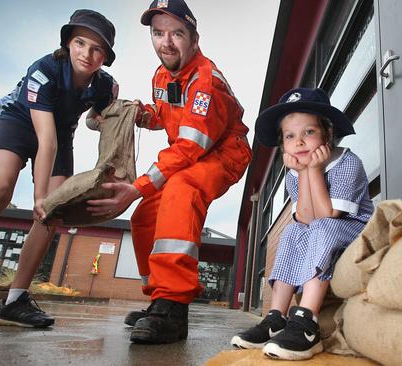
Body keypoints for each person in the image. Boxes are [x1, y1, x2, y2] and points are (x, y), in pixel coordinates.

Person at [85, 0, 251, 344]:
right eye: (158, 33)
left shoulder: (207, 81)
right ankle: (159, 298)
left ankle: (174, 308)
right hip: (188, 152)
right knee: (144, 216)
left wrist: (138, 186)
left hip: (223, 152)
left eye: (177, 33)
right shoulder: (161, 75)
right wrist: (136, 114)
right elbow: (165, 115)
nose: (167, 42)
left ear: (193, 38)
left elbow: (190, 146)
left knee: (181, 190)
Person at [0, 9, 118, 337]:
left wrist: (102, 120)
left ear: (105, 56)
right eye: (80, 43)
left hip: (61, 132)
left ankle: (15, 301)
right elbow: (46, 142)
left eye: (97, 48)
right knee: (0, 187)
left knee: (53, 212)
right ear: (67, 43)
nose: (87, 53)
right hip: (19, 122)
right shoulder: (43, 71)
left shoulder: (106, 86)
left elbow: (92, 119)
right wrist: (39, 195)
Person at [231, 87, 374, 360]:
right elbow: (306, 218)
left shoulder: (347, 163)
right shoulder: (293, 174)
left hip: (353, 229)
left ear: (327, 134)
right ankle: (276, 318)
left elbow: (326, 216)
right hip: (321, 227)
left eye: (308, 132)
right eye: (290, 136)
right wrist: (305, 171)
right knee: (293, 229)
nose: (299, 142)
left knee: (320, 226)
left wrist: (315, 170)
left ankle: (307, 321)